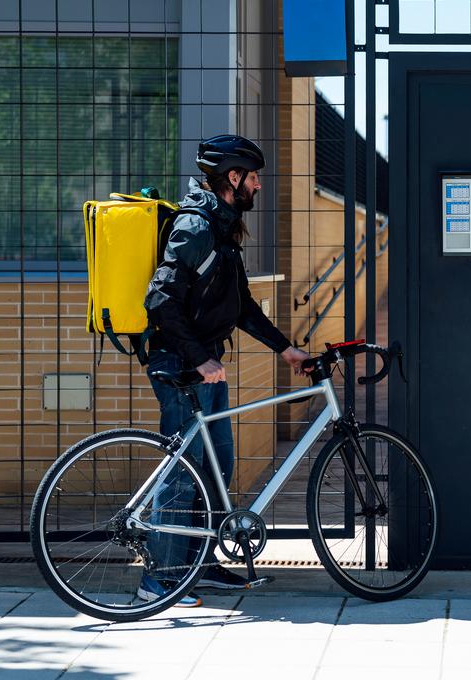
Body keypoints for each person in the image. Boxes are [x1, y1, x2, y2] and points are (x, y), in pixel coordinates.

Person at [140, 134, 310, 607]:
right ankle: (160, 579)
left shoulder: (222, 225)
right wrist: (199, 358)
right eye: (253, 176)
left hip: (205, 366)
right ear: (232, 178)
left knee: (218, 466)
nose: (258, 184)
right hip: (181, 366)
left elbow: (241, 307)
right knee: (183, 471)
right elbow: (160, 302)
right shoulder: (195, 228)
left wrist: (286, 350)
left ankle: (201, 564)